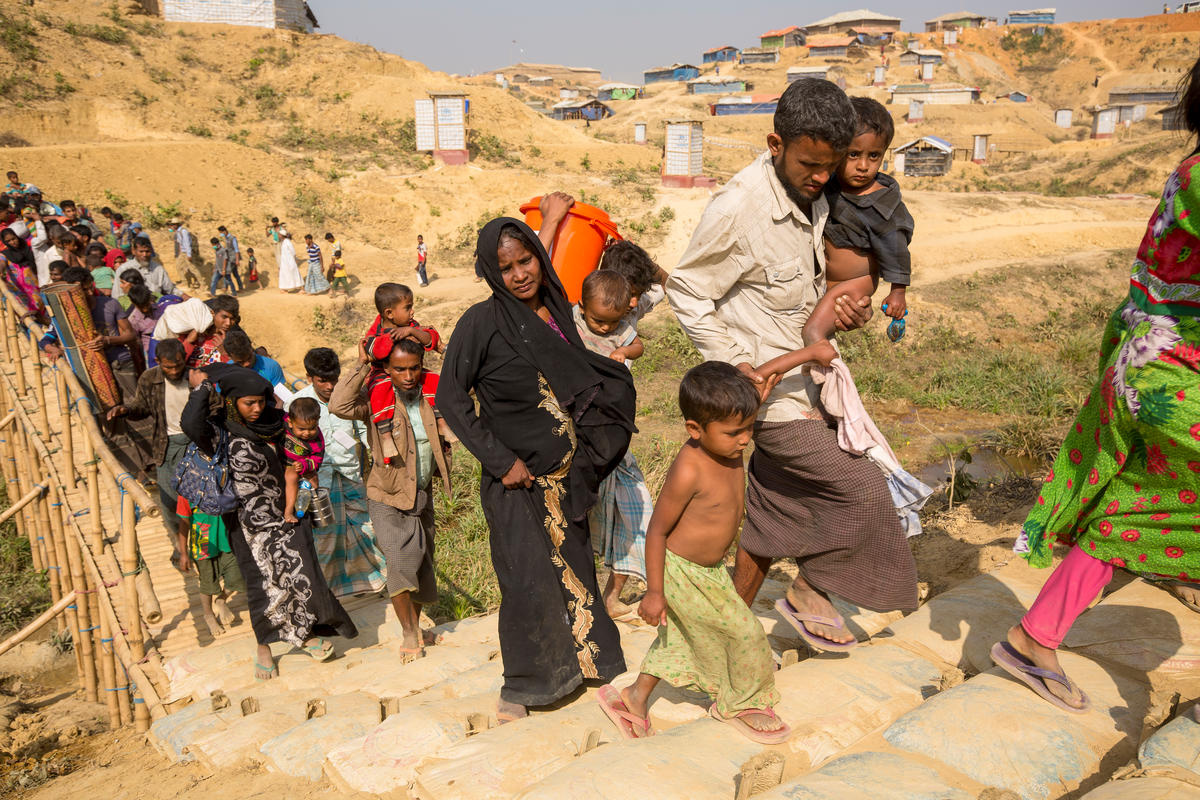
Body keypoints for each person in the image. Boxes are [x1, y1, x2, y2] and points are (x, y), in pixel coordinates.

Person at [666, 78, 916, 652]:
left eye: (831, 165)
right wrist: (737, 372)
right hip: (771, 397)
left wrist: (848, 309)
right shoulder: (739, 209)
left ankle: (719, 636)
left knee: (770, 526)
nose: (821, 177)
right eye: (810, 164)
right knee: (862, 490)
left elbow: (835, 274)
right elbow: (686, 290)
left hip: (814, 384)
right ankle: (810, 593)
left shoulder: (823, 190)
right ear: (775, 144)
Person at [992, 56, 1200, 713]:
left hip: (1159, 367)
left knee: (1140, 505)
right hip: (1170, 372)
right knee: (1148, 507)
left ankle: (1035, 637)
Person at [437, 218, 636, 723]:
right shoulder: (480, 323)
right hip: (514, 482)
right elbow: (451, 398)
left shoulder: (557, 314)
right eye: (506, 267)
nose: (520, 274)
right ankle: (525, 687)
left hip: (562, 479)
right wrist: (502, 461)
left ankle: (590, 665)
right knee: (525, 581)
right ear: (490, 271)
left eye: (526, 261)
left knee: (575, 571)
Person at [598, 362, 791, 744]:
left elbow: (751, 394)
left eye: (749, 428)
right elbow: (656, 530)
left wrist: (762, 382)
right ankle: (741, 703)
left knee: (683, 639)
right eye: (735, 432)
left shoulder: (725, 438)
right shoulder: (691, 469)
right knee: (745, 631)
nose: (744, 440)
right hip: (680, 570)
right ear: (694, 430)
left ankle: (634, 698)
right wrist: (654, 592)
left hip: (711, 570)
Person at [182, 364, 357, 679]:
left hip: (289, 513)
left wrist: (309, 473)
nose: (257, 408)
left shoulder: (277, 424)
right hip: (248, 523)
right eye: (248, 403)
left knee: (303, 573)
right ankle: (265, 645)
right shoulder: (218, 431)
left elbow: (302, 450)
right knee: (262, 584)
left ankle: (307, 633)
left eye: (261, 400)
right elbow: (189, 423)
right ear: (233, 402)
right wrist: (206, 387)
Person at [331, 337, 452, 662]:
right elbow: (338, 405)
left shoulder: (431, 395)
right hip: (386, 496)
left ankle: (415, 625)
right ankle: (410, 633)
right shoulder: (376, 400)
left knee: (422, 563)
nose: (408, 376)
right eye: (400, 369)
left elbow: (461, 389)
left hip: (422, 494)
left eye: (414, 368)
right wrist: (363, 363)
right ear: (388, 369)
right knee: (400, 563)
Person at [802, 97, 913, 346]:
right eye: (853, 154)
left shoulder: (883, 206)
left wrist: (897, 291)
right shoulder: (829, 185)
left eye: (874, 156)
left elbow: (897, 251)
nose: (863, 166)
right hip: (825, 280)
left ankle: (818, 364)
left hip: (855, 282)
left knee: (813, 332)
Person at [573, 270, 651, 618]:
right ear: (581, 307)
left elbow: (639, 345)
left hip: (614, 440)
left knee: (636, 511)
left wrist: (623, 350)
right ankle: (580, 597)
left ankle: (612, 594)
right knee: (577, 522)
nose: (604, 329)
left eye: (612, 322)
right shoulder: (570, 323)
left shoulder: (619, 331)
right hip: (579, 439)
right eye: (598, 321)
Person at [291, 347, 385, 597]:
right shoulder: (297, 403)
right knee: (325, 536)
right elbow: (290, 443)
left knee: (365, 527)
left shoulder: (348, 396)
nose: (331, 386)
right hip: (318, 481)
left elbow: (363, 429)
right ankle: (327, 590)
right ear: (310, 377)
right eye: (323, 380)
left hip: (350, 474)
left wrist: (378, 455)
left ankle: (371, 583)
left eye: (334, 379)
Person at [105, 338, 201, 561]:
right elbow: (141, 408)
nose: (175, 370)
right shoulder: (150, 378)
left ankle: (202, 547)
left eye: (178, 365)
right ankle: (180, 545)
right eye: (169, 367)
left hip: (196, 444)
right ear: (158, 362)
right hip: (166, 445)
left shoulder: (194, 376)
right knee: (169, 500)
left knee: (199, 498)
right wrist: (124, 410)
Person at [361, 283, 439, 464]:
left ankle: (440, 420)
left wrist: (412, 331)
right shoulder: (376, 331)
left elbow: (431, 340)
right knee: (380, 389)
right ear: (389, 313)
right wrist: (394, 337)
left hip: (410, 369)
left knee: (433, 379)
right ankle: (386, 434)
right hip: (382, 374)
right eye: (408, 307)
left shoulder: (410, 325)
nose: (412, 312)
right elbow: (375, 351)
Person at [176, 489, 246, 638]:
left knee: (237, 575)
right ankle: (208, 615)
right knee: (207, 582)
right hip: (203, 542)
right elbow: (184, 522)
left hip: (226, 538)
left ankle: (221, 599)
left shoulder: (221, 481)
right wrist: (183, 552)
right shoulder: (186, 491)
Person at [281, 396, 325, 523]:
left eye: (312, 428)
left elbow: (317, 460)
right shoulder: (282, 422)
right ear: (290, 422)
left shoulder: (317, 441)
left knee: (292, 477)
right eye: (301, 429)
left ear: (318, 421)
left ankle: (289, 511)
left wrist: (304, 464)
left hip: (297, 468)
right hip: (280, 460)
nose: (307, 433)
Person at [113, 236, 185, 302]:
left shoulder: (158, 269)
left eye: (147, 251)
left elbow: (171, 290)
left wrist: (186, 297)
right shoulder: (124, 269)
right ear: (133, 251)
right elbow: (117, 296)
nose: (144, 255)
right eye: (141, 251)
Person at [168, 217, 203, 290]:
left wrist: (189, 254)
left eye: (174, 224)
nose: (172, 226)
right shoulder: (177, 232)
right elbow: (180, 244)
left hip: (187, 252)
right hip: (182, 253)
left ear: (177, 225)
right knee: (178, 266)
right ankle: (184, 282)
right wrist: (179, 254)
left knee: (192, 268)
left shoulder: (183, 231)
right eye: (172, 224)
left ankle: (203, 284)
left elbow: (187, 244)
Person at [217, 225, 244, 293]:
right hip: (230, 258)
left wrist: (237, 260)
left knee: (226, 272)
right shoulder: (226, 238)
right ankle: (241, 288)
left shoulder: (232, 238)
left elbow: (236, 249)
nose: (221, 234)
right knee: (235, 273)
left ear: (224, 231)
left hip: (233, 258)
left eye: (221, 232)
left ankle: (225, 287)